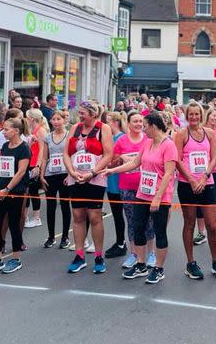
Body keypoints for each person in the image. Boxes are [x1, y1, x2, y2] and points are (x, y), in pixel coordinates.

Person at [103, 112, 178, 284]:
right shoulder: (148, 143)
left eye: (145, 126)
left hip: (160, 196)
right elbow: (135, 163)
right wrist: (112, 171)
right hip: (143, 193)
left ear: (154, 126)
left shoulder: (169, 145)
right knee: (137, 227)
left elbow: (168, 174)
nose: (143, 129)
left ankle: (159, 268)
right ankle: (141, 264)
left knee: (159, 231)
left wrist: (158, 197)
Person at [174, 101, 216, 280]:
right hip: (187, 184)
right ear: (187, 116)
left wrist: (204, 177)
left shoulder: (210, 133)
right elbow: (178, 160)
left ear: (201, 115)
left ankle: (215, 261)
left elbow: (214, 158)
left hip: (207, 182)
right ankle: (190, 263)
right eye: (191, 114)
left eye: (197, 114)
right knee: (189, 223)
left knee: (211, 225)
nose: (194, 117)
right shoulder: (181, 134)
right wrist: (191, 179)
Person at [65, 101, 113, 274]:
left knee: (94, 216)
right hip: (76, 177)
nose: (80, 115)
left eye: (83, 112)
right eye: (79, 112)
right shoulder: (75, 128)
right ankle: (79, 255)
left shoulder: (103, 128)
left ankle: (99, 256)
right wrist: (71, 171)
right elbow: (66, 153)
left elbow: (108, 155)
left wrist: (92, 173)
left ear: (93, 114)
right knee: (78, 215)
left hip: (95, 178)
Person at [0, 117, 31, 275]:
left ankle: (16, 258)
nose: (3, 132)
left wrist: (7, 189)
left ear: (16, 131)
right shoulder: (5, 145)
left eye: (6, 129)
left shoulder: (24, 148)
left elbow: (21, 172)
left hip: (15, 192)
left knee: (14, 223)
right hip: (0, 191)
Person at [112, 111, 156, 269]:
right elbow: (112, 163)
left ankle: (151, 254)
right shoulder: (121, 141)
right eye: (135, 121)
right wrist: (121, 159)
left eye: (140, 121)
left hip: (146, 187)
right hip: (127, 187)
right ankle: (134, 254)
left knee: (149, 222)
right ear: (128, 124)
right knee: (132, 222)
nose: (138, 124)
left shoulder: (149, 140)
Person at [194, 107, 216, 246]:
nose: (215, 119)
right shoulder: (200, 130)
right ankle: (201, 233)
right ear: (207, 116)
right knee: (200, 201)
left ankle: (214, 232)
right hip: (201, 172)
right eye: (213, 116)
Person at [39, 109, 71, 249]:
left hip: (65, 174)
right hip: (51, 174)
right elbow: (45, 157)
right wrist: (41, 175)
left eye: (59, 119)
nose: (56, 122)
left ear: (64, 120)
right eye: (54, 119)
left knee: (65, 205)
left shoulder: (69, 136)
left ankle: (65, 237)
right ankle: (51, 236)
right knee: (50, 206)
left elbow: (72, 155)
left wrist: (71, 174)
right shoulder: (47, 137)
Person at [103, 111, 128, 259]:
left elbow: (117, 159)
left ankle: (122, 243)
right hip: (111, 181)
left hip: (120, 180)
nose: (106, 124)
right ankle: (120, 242)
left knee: (124, 214)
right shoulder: (110, 138)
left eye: (107, 121)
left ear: (115, 123)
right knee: (117, 214)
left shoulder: (121, 138)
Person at [23, 109, 48, 228]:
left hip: (35, 163)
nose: (25, 119)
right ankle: (25, 216)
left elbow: (43, 150)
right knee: (27, 191)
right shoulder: (31, 130)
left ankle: (37, 217)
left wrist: (38, 166)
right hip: (29, 162)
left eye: (27, 117)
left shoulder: (41, 130)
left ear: (32, 119)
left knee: (33, 191)